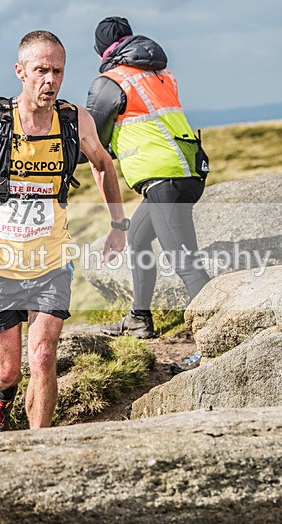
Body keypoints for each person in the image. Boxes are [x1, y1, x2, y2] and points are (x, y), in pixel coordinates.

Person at [0, 30, 127, 434]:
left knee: (42, 356)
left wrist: (117, 225)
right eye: (41, 70)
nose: (50, 80)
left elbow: (103, 164)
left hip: (51, 261)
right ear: (20, 71)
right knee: (5, 372)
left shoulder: (76, 120)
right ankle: (2, 399)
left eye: (58, 71)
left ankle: (39, 446)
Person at [86, 17, 211, 339]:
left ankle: (216, 338)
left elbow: (94, 139)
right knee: (139, 240)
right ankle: (138, 319)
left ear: (100, 50)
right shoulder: (160, 75)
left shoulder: (110, 82)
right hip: (186, 171)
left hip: (163, 180)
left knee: (186, 263)